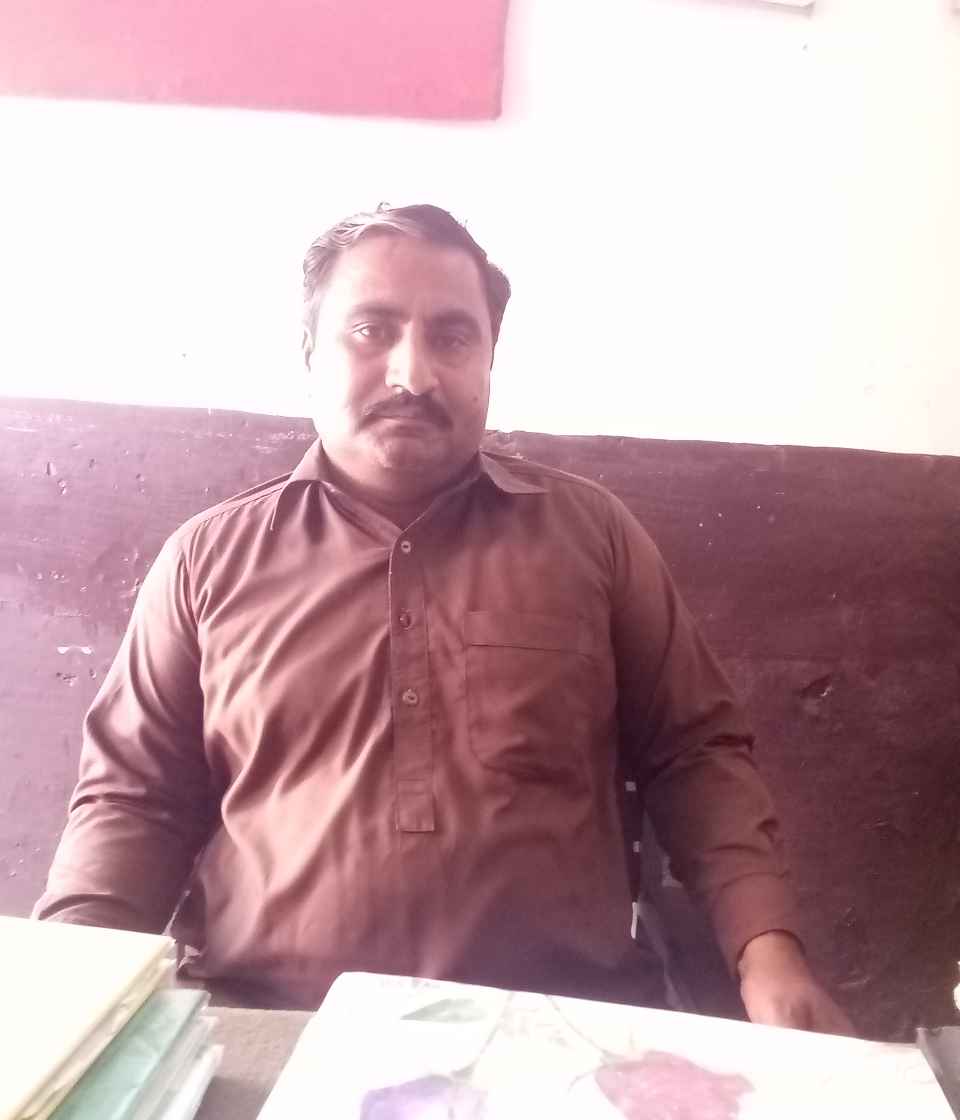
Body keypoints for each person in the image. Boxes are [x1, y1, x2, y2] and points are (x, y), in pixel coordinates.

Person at [35, 203, 852, 1032]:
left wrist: (766, 951)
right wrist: (61, 994)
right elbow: (134, 801)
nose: (412, 375)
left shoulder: (593, 538)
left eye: (453, 337)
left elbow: (695, 755)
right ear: (310, 352)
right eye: (371, 331)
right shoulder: (207, 562)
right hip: (269, 1027)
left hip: (562, 1034)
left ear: (490, 359)